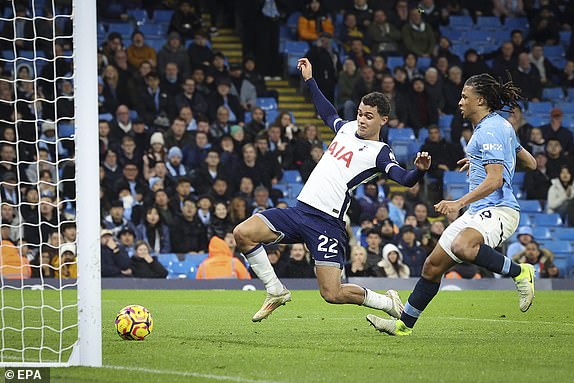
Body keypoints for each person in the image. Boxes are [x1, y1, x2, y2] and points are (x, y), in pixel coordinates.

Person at [233, 57, 431, 322]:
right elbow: (327, 112)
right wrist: (309, 80)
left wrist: (419, 170)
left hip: (326, 222)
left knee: (332, 293)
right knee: (243, 233)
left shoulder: (380, 153)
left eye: (368, 116)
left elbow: (405, 179)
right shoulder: (347, 129)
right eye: (360, 113)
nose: (361, 119)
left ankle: (386, 302)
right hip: (300, 211)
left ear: (383, 120)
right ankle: (275, 290)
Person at [366, 73, 538, 336]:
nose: (459, 102)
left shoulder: (491, 129)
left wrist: (459, 202)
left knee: (463, 246)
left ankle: (520, 272)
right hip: (480, 211)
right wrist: (479, 161)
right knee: (432, 267)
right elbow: (530, 162)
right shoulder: (498, 126)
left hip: (500, 209)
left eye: (464, 97)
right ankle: (403, 325)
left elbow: (495, 180)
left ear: (480, 100)